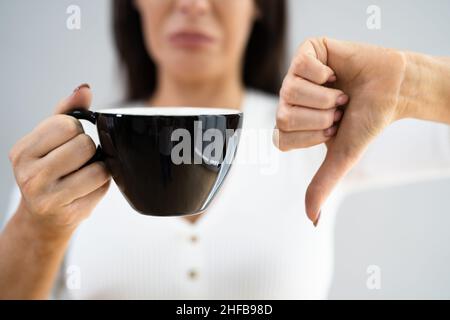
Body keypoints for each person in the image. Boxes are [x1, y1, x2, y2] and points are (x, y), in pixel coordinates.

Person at [1, 0, 450, 299]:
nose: (194, 4)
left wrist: (414, 81)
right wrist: (38, 229)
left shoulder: (326, 126)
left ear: (260, 7)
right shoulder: (71, 150)